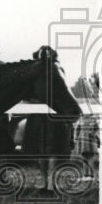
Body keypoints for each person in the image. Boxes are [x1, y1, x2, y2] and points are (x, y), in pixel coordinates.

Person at [20, 46, 75, 192]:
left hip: (54, 116)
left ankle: (51, 184)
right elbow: (26, 94)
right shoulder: (32, 73)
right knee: (40, 150)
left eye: (48, 56)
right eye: (42, 57)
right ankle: (44, 182)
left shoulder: (58, 70)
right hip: (37, 115)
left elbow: (63, 92)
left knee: (52, 149)